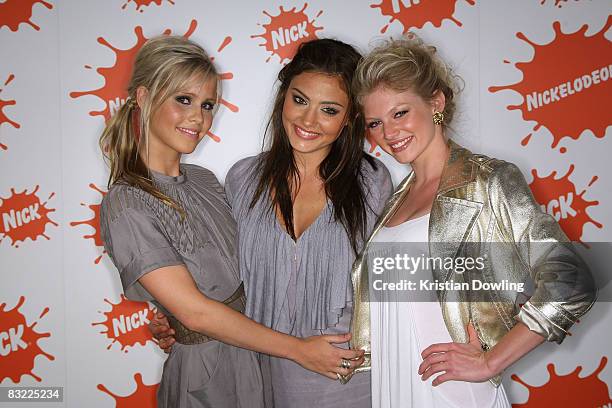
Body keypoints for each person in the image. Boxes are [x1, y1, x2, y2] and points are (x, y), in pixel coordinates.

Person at [99, 35, 365, 408]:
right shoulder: (125, 203)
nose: (198, 117)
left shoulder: (207, 181)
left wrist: (171, 315)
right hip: (207, 376)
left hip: (257, 364)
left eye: (207, 104)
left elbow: (234, 273)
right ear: (143, 97)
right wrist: (297, 350)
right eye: (183, 100)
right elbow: (196, 310)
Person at [346, 35, 597, 407]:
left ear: (436, 102)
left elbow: (572, 282)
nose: (389, 134)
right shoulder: (395, 201)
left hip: (451, 392)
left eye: (400, 113)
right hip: (396, 387)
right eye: (375, 123)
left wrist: (489, 361)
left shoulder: (489, 180)